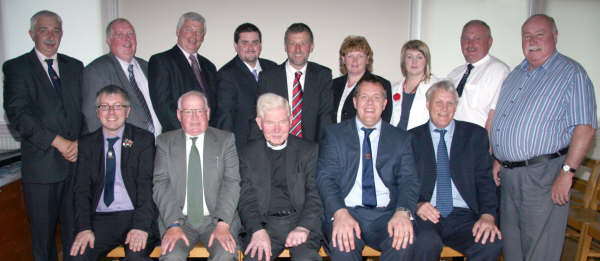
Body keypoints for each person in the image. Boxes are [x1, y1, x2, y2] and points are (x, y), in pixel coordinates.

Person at [491, 14, 597, 260]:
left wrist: (567, 172)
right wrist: (499, 157)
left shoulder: (571, 73)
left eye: (540, 34)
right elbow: (506, 120)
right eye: (527, 35)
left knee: (540, 249)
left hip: (544, 176)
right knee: (513, 248)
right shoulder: (516, 74)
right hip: (509, 176)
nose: (532, 40)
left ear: (555, 36)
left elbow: (585, 127)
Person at [3, 10, 83, 261]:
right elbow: (18, 115)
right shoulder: (16, 68)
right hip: (41, 170)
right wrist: (58, 142)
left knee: (76, 236)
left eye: (56, 30)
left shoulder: (75, 66)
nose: (51, 36)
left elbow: (86, 110)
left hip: (75, 165)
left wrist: (80, 143)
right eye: (44, 30)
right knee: (43, 239)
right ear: (31, 34)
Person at [317, 74, 418, 261]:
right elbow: (325, 178)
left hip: (386, 214)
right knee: (343, 245)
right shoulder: (334, 134)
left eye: (376, 97)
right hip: (347, 210)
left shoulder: (401, 139)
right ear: (355, 102)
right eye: (364, 97)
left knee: (404, 242)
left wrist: (403, 211)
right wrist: (339, 213)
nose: (370, 103)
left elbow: (409, 180)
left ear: (385, 103)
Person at [410, 81, 502, 261]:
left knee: (490, 242)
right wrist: (418, 204)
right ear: (428, 104)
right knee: (426, 242)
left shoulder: (475, 136)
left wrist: (488, 215)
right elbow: (404, 182)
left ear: (456, 106)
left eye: (450, 103)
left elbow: (485, 180)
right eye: (438, 102)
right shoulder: (411, 138)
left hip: (465, 216)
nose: (444, 108)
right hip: (427, 214)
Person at [71, 85, 158, 260]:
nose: (111, 112)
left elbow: (146, 186)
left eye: (118, 106)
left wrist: (141, 226)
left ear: (127, 111)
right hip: (102, 219)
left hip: (135, 215)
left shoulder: (143, 140)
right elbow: (81, 190)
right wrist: (84, 228)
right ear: (97, 111)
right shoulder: (87, 144)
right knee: (78, 255)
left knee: (136, 256)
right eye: (105, 106)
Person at [153, 91, 241, 261]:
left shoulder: (225, 140)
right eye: (188, 111)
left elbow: (232, 182)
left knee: (225, 254)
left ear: (207, 113)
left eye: (199, 111)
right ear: (179, 115)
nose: (194, 117)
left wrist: (223, 223)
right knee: (172, 256)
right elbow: (160, 184)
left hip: (216, 220)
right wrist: (173, 224)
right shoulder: (165, 142)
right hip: (179, 220)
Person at [238, 93, 323, 261]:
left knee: (306, 258)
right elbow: (246, 199)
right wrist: (257, 230)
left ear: (290, 120)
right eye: (270, 122)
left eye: (282, 122)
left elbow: (315, 194)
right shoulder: (247, 154)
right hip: (264, 224)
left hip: (300, 220)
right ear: (259, 123)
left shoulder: (308, 151)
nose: (277, 130)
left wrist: (304, 227)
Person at [82, 18, 161, 136]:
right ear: (109, 40)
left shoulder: (148, 67)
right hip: (124, 150)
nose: (127, 39)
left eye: (130, 33)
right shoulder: (96, 70)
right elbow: (93, 119)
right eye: (120, 34)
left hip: (158, 146)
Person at [256, 23, 333, 142]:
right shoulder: (268, 77)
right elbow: (260, 118)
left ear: (311, 47)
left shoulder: (322, 76)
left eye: (303, 43)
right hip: (275, 150)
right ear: (285, 47)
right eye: (292, 43)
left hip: (312, 151)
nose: (298, 49)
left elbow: (325, 119)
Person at [149, 12, 218, 131]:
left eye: (198, 32)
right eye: (188, 30)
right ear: (177, 31)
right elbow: (163, 106)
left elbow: (215, 106)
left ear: (203, 37)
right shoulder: (161, 61)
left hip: (209, 140)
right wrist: (188, 135)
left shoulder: (209, 67)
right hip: (178, 138)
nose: (193, 36)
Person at [216, 23, 277, 150]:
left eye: (255, 42)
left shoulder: (273, 68)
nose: (250, 47)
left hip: (274, 144)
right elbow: (225, 118)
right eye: (245, 43)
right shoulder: (226, 74)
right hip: (243, 148)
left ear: (260, 45)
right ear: (236, 46)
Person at [447, 20, 509, 130]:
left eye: (477, 39)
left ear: (489, 42)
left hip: (477, 141)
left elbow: (494, 116)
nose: (470, 44)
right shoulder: (454, 74)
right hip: (450, 140)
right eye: (466, 39)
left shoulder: (499, 70)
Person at [332, 35, 393, 123]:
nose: (355, 61)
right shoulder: (332, 84)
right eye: (350, 56)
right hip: (333, 136)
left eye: (360, 56)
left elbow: (384, 121)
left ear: (368, 59)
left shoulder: (381, 84)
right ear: (343, 59)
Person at [389, 40, 441, 130]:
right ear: (404, 61)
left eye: (419, 57)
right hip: (396, 140)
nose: (414, 62)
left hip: (421, 140)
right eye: (409, 57)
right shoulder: (393, 89)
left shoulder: (437, 87)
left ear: (426, 61)